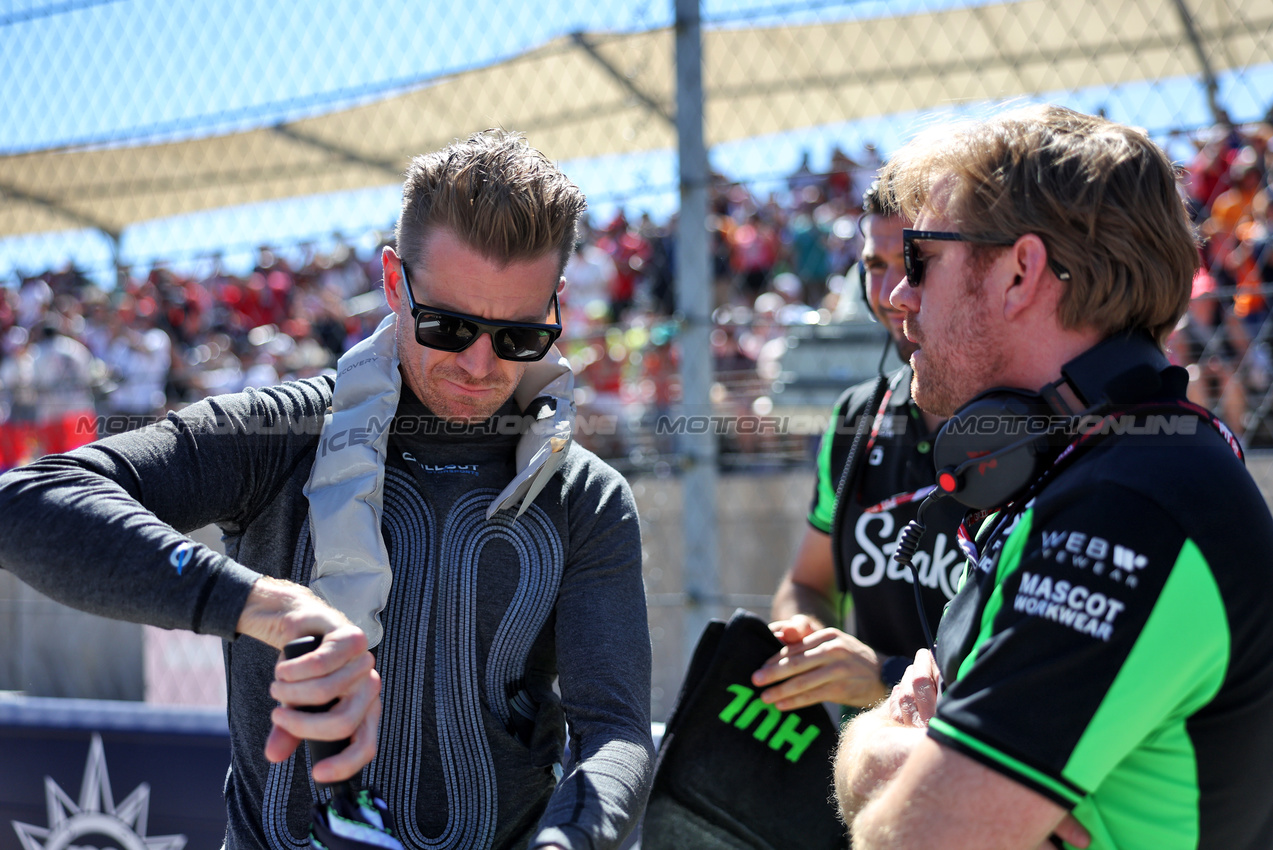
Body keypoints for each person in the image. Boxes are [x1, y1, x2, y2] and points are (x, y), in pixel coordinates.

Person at [0, 130, 654, 850]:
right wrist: (261, 604)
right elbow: (27, 502)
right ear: (392, 281)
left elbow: (614, 732)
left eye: (520, 337)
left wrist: (566, 844)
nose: (478, 364)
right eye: (446, 325)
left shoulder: (586, 495)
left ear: (557, 303)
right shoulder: (279, 435)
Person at [833, 105, 1273, 849]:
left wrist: (879, 741)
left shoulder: (1126, 503)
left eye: (918, 260)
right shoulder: (1099, 467)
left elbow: (906, 838)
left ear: (1018, 272)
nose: (898, 299)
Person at [752, 181, 961, 713]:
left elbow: (1029, 670)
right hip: (865, 769)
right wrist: (806, 632)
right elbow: (806, 581)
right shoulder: (856, 416)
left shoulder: (1023, 431)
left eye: (911, 264)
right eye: (873, 264)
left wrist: (881, 676)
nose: (890, 291)